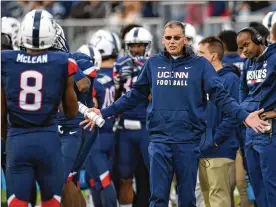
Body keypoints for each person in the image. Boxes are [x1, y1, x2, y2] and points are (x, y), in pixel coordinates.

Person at [82, 20, 269, 207]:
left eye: (177, 38)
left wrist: (244, 116)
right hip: (159, 140)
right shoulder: (154, 63)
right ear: (163, 40)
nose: (172, 41)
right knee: (158, 198)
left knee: (186, 199)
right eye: (169, 38)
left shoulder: (200, 65)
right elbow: (134, 95)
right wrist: (104, 112)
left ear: (185, 39)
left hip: (188, 142)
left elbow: (221, 96)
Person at [1, 9, 78, 207]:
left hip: (17, 140)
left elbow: (1, 112)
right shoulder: (63, 63)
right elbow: (71, 113)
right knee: (51, 203)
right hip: (48, 141)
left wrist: (8, 138)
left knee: (17, 203)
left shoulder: (6, 60)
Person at [197, 36, 240, 207]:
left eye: (201, 53)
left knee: (219, 199)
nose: (197, 56)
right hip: (202, 149)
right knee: (207, 198)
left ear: (213, 56)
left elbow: (233, 115)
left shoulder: (230, 80)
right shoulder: (200, 80)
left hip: (220, 149)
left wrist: (214, 141)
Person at [112, 26, 152, 206]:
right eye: (133, 46)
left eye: (140, 46)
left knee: (156, 175)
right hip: (125, 128)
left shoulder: (153, 64)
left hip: (146, 126)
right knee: (125, 177)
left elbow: (155, 97)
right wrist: (118, 82)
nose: (136, 50)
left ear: (147, 46)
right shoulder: (119, 64)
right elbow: (115, 98)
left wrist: (143, 78)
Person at [237, 26, 276, 207]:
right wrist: (245, 113)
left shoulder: (275, 58)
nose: (244, 50)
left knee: (271, 184)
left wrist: (273, 113)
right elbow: (242, 91)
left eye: (246, 45)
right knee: (256, 183)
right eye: (240, 48)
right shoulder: (247, 63)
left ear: (259, 39)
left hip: (270, 130)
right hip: (251, 132)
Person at [84, 30, 119, 207]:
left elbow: (91, 107)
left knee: (102, 182)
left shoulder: (93, 79)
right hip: (112, 134)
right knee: (98, 180)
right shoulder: (117, 74)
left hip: (95, 136)